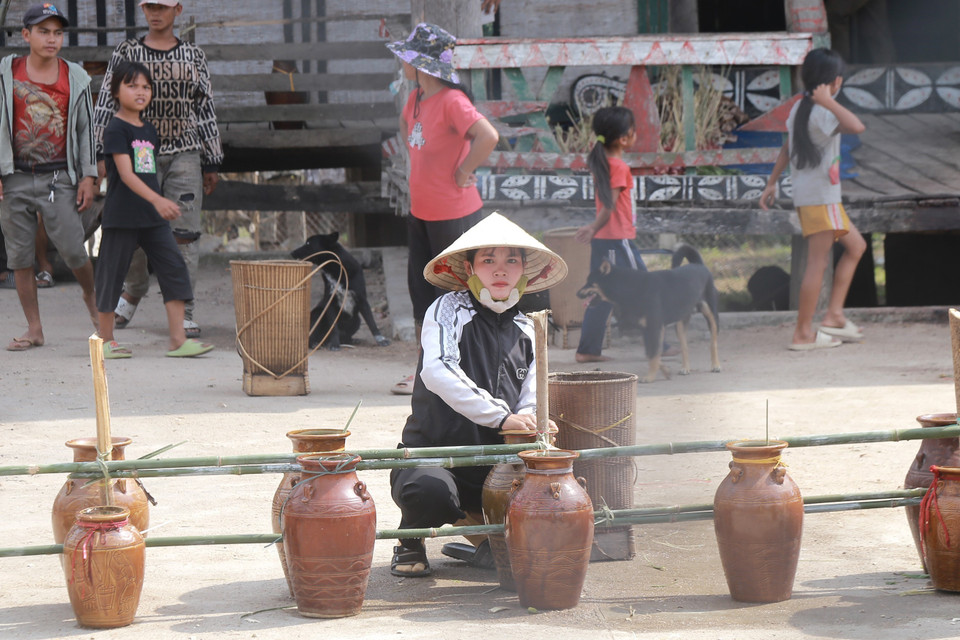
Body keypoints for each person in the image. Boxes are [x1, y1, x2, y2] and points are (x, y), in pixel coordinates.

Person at [389, 212, 567, 577]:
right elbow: (438, 372)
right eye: (488, 260)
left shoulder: (529, 329)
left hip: (494, 468)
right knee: (430, 491)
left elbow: (532, 395)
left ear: (523, 272)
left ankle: (484, 539)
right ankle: (410, 538)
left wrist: (534, 420)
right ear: (469, 267)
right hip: (437, 455)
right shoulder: (447, 309)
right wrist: (503, 417)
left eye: (510, 261)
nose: (500, 270)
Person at [93, 0, 222, 339]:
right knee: (132, 234)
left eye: (163, 7)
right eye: (150, 6)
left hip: (184, 152)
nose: (155, 12)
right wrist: (98, 153)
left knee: (183, 235)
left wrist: (212, 158)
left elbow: (205, 106)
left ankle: (186, 314)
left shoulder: (193, 55)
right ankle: (133, 290)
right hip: (134, 154)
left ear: (177, 11)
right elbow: (107, 101)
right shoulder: (127, 51)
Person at [385, 22, 500, 395]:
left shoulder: (453, 101)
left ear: (422, 65)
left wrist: (463, 170)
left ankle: (468, 371)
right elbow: (406, 128)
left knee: (457, 296)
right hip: (421, 212)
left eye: (407, 57)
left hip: (456, 215)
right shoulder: (415, 99)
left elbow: (488, 136)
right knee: (421, 293)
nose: (402, 62)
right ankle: (424, 371)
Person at [0, 3, 99, 351]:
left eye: (58, 32)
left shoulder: (74, 76)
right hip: (13, 177)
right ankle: (34, 328)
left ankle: (92, 299)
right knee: (20, 257)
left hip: (59, 176)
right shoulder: (7, 73)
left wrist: (88, 176)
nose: (52, 39)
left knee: (73, 248)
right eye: (43, 31)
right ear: (26, 35)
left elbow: (87, 129)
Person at [760, 48, 867, 350]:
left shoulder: (800, 108)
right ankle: (803, 333)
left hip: (820, 198)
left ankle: (833, 315)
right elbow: (857, 126)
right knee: (817, 264)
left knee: (857, 246)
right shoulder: (822, 112)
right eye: (838, 79)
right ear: (833, 82)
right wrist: (829, 101)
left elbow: (786, 149)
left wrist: (771, 183)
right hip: (820, 199)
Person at [574, 106, 676, 364]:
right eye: (633, 130)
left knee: (602, 292)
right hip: (616, 241)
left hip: (606, 241)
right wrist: (593, 227)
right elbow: (609, 207)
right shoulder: (618, 166)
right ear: (623, 138)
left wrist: (593, 230)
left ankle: (588, 350)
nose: (635, 133)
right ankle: (658, 345)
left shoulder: (603, 162)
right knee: (646, 286)